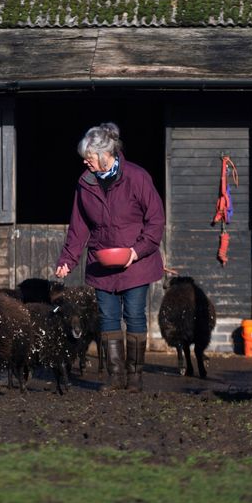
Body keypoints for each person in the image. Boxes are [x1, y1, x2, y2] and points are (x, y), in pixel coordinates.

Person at [55, 122, 165, 392]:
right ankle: (115, 377)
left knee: (135, 316)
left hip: (136, 263)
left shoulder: (137, 178)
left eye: (89, 156)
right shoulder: (85, 183)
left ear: (105, 154)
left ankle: (135, 378)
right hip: (101, 263)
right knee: (107, 318)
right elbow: (78, 226)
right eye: (84, 156)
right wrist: (67, 260)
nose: (85, 161)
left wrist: (136, 251)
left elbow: (155, 221)